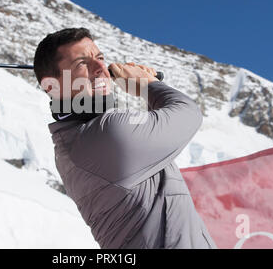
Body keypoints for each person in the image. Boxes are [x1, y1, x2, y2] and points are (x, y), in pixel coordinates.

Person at [34, 27, 217, 249]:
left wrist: (146, 86)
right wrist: (148, 84)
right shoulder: (106, 134)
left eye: (100, 58)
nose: (101, 68)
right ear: (51, 86)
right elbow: (188, 113)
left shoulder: (75, 139)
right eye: (82, 64)